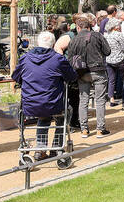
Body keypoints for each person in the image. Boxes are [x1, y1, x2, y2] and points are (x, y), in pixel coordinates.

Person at [12, 31, 77, 160]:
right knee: (66, 112)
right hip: (53, 103)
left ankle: (40, 148)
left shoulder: (25, 59)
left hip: (30, 104)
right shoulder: (58, 59)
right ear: (53, 44)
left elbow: (15, 77)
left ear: (38, 43)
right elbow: (72, 76)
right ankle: (56, 146)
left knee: (44, 116)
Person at [68, 16, 111, 138]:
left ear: (78, 27)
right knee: (100, 100)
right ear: (89, 26)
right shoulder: (97, 36)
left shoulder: (74, 40)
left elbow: (70, 59)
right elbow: (107, 51)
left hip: (82, 73)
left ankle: (84, 129)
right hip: (98, 70)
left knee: (83, 100)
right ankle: (100, 129)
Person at [103, 19, 124, 106]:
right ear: (115, 26)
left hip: (109, 59)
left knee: (111, 80)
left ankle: (111, 98)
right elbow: (122, 47)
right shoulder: (119, 35)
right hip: (119, 59)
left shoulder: (105, 35)